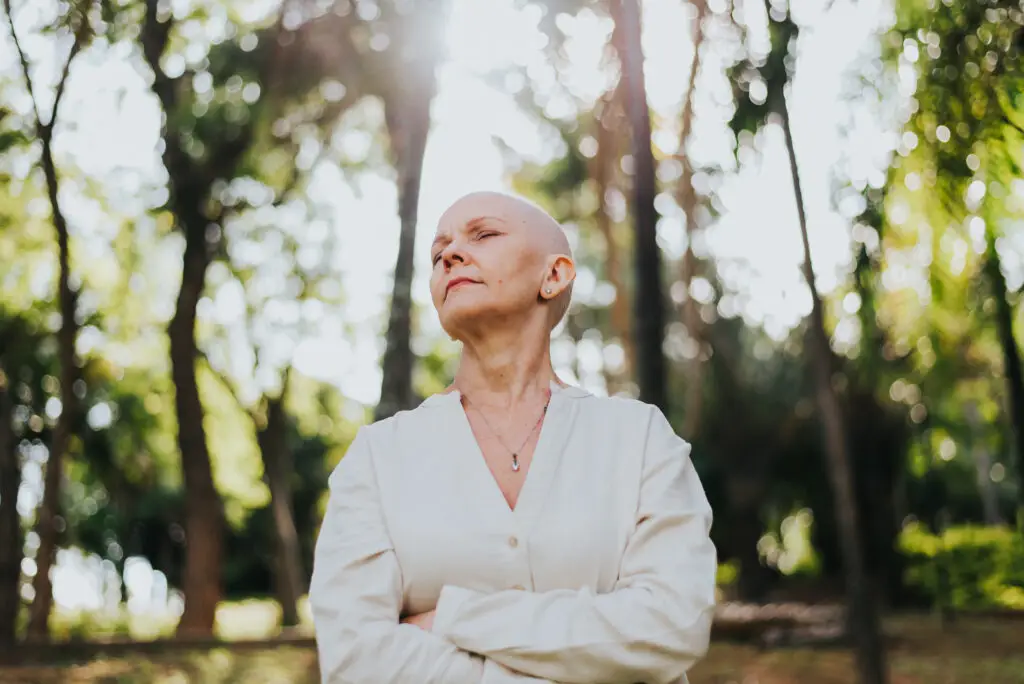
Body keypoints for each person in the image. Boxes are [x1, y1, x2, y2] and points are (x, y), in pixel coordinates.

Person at [309, 190, 717, 683]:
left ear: (555, 274)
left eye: (483, 234)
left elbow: (673, 626)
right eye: (439, 252)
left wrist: (454, 619)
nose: (450, 255)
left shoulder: (640, 439)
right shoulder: (376, 457)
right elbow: (356, 663)